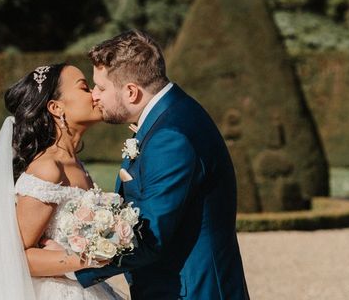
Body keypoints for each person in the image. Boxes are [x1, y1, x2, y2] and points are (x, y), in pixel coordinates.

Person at [74, 30, 250, 299]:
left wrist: (69, 266)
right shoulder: (172, 115)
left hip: (190, 291)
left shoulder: (170, 137)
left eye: (101, 87)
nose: (94, 96)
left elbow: (149, 237)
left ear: (131, 92)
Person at [0, 63, 124, 299]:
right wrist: (85, 258)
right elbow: (18, 256)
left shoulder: (77, 165)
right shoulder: (48, 168)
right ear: (55, 107)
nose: (95, 94)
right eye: (85, 88)